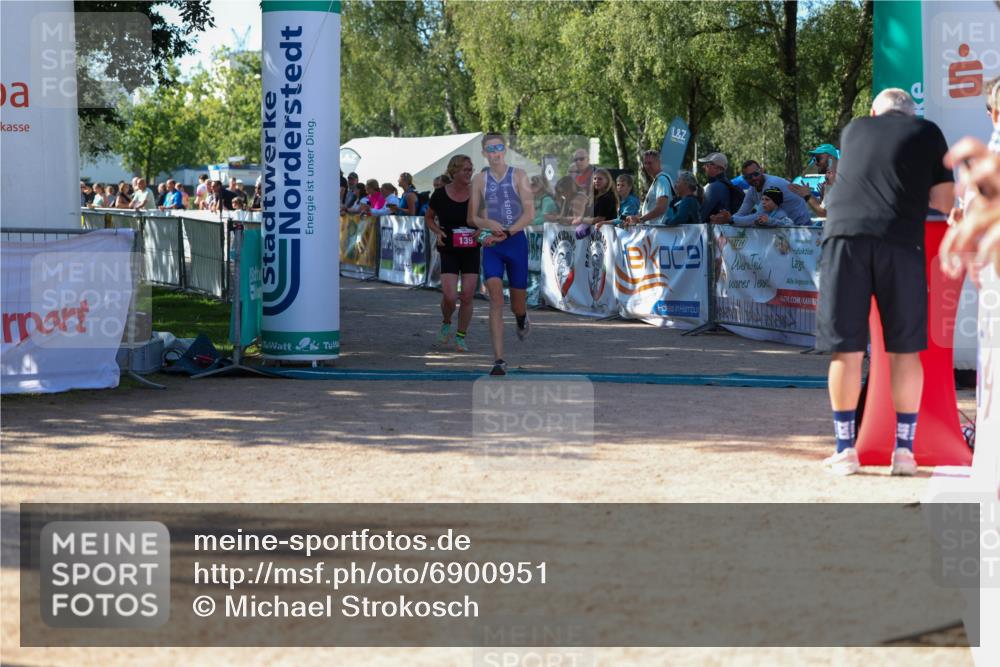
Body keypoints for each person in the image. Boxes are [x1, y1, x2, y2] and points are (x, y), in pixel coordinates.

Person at [817, 88, 954, 476]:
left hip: (843, 237)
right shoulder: (927, 131)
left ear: (874, 113)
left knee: (846, 350)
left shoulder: (854, 129)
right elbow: (945, 202)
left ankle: (845, 450)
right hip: (900, 241)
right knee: (904, 351)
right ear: (912, 114)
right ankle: (905, 453)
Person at [468, 132, 536, 376]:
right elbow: (472, 218)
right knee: (495, 299)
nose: (495, 153)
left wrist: (506, 232)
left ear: (504, 150)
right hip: (493, 246)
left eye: (498, 148)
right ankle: (498, 359)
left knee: (517, 304)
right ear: (484, 153)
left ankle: (521, 317)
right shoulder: (479, 179)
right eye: (490, 149)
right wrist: (487, 225)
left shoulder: (519, 175)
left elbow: (530, 214)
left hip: (515, 241)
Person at [426, 155, 479, 352]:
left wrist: (482, 229)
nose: (469, 173)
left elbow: (487, 218)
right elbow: (429, 217)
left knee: (467, 295)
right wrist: (437, 231)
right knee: (449, 296)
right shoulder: (440, 194)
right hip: (449, 248)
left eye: (471, 169)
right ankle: (447, 321)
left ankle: (461, 336)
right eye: (466, 169)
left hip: (471, 249)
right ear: (454, 171)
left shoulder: (477, 193)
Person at [710, 160, 812, 226]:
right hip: (786, 228)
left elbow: (759, 217)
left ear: (762, 171)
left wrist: (730, 220)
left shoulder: (771, 184)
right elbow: (742, 213)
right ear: (744, 179)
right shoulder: (752, 189)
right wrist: (724, 218)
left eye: (756, 174)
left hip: (801, 227)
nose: (753, 178)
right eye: (748, 177)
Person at [624, 150, 674, 227]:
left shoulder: (662, 180)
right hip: (655, 229)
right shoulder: (657, 180)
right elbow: (650, 209)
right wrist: (636, 218)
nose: (647, 166)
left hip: (660, 229)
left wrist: (640, 219)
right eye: (645, 163)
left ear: (658, 163)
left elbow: (661, 208)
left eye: (650, 163)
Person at [698, 152, 742, 223]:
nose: (703, 167)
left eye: (707, 165)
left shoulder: (714, 187)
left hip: (718, 229)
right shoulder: (728, 184)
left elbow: (701, 217)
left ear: (716, 168)